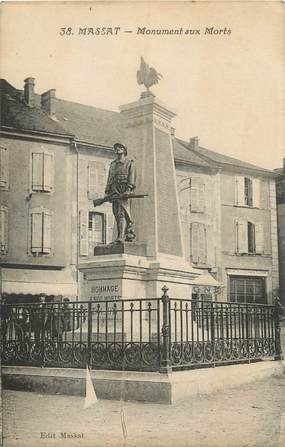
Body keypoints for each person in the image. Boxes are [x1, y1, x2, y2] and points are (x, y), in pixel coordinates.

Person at [105, 143, 136, 243]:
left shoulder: (129, 163)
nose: (118, 149)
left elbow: (131, 177)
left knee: (122, 213)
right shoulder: (113, 164)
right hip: (114, 190)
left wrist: (129, 189)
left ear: (125, 150)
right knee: (116, 214)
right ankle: (119, 236)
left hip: (124, 190)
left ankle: (121, 237)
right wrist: (107, 191)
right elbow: (110, 178)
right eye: (116, 148)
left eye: (121, 148)